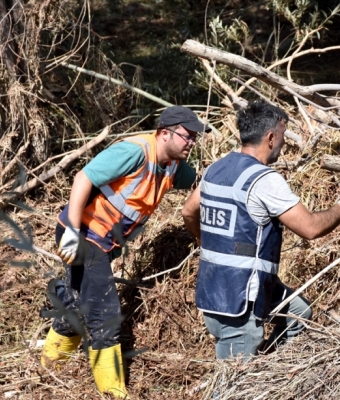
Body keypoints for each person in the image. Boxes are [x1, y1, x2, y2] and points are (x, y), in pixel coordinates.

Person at [181, 101, 340, 360]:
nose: (283, 142)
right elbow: (310, 228)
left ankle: (269, 367)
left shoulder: (216, 169)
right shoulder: (264, 180)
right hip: (239, 300)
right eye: (282, 135)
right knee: (233, 384)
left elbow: (188, 211)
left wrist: (209, 242)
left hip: (215, 286)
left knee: (298, 312)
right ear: (270, 137)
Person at [41, 105, 207, 398]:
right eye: (186, 136)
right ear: (164, 133)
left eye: (194, 137)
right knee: (105, 311)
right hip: (82, 234)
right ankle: (112, 391)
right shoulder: (135, 152)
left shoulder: (174, 165)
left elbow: (198, 182)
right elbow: (83, 178)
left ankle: (50, 364)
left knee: (82, 303)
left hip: (102, 242)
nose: (191, 142)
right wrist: (70, 231)